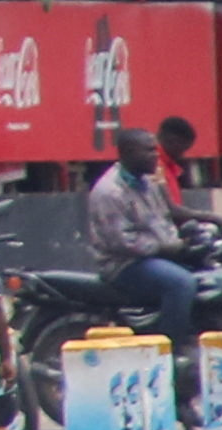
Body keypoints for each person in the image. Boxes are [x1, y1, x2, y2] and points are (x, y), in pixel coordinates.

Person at [86, 125, 203, 352]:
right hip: (125, 265)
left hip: (156, 255)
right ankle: (169, 351)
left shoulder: (148, 182)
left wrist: (201, 226)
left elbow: (168, 214)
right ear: (129, 153)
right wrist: (168, 248)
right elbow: (123, 242)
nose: (156, 155)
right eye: (149, 151)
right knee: (181, 283)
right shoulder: (110, 192)